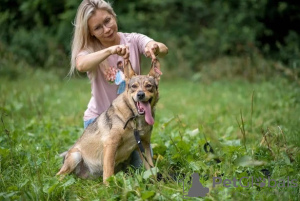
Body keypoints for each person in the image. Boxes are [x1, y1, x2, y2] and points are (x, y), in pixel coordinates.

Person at [68, 0, 168, 168]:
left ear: (114, 16)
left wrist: (154, 47)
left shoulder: (133, 39)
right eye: (98, 27)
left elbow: (162, 48)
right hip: (100, 122)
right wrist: (110, 50)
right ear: (91, 32)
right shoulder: (90, 50)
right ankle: (82, 156)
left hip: (134, 119)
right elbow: (81, 64)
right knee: (112, 166)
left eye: (107, 21)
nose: (106, 29)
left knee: (139, 168)